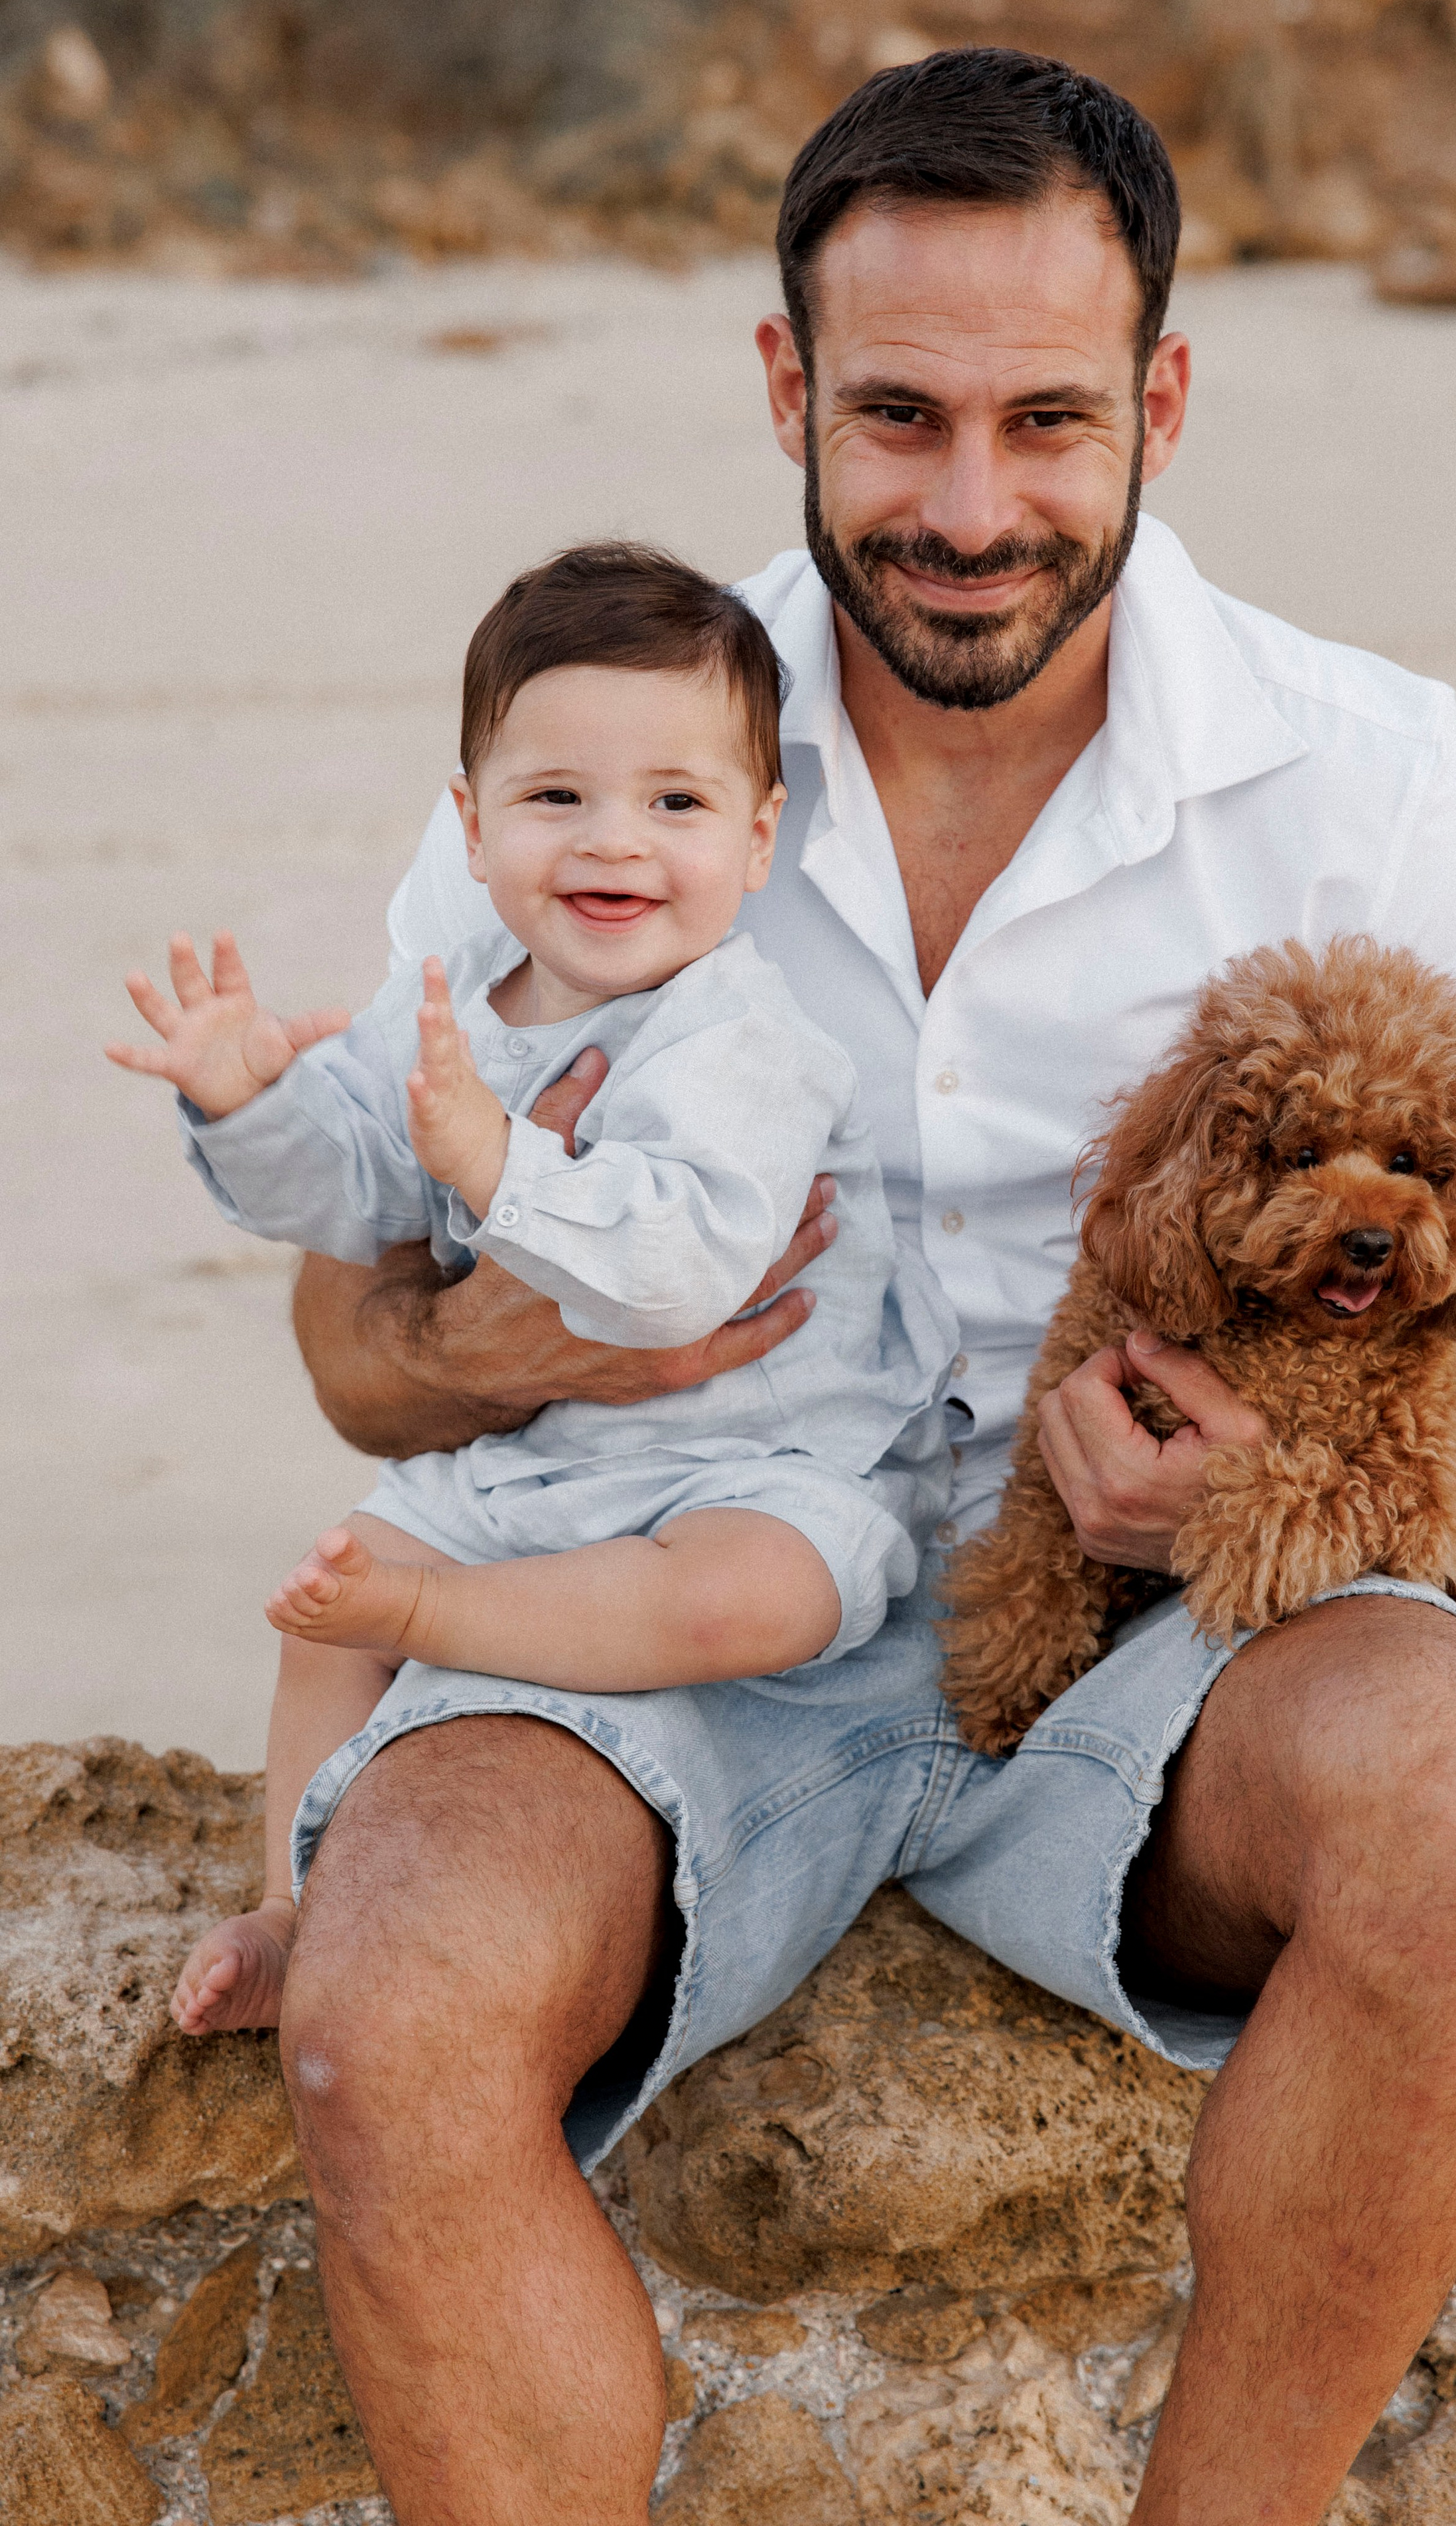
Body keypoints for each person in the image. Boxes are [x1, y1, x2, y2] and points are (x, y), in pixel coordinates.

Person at [272, 47, 1456, 2526]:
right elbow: (349, 1350)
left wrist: (1325, 1505)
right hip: (667, 1600)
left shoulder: (1369, 772)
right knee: (390, 1988)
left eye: (1046, 421)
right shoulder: (607, 757)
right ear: (784, 387)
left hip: (1182, 1651)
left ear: (1160, 394)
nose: (965, 509)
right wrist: (503, 1338)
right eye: (897, 415)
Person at [107, 543, 951, 2038]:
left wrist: (498, 1163)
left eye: (675, 804)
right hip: (542, 1470)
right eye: (555, 798)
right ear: (471, 825)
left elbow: (678, 1271)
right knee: (320, 1611)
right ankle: (298, 1905)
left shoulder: (740, 1035)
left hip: (759, 1469)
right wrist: (249, 1106)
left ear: (757, 842)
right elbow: (357, 1188)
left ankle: (451, 1615)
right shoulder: (454, 1007)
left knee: (753, 1595)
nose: (611, 843)